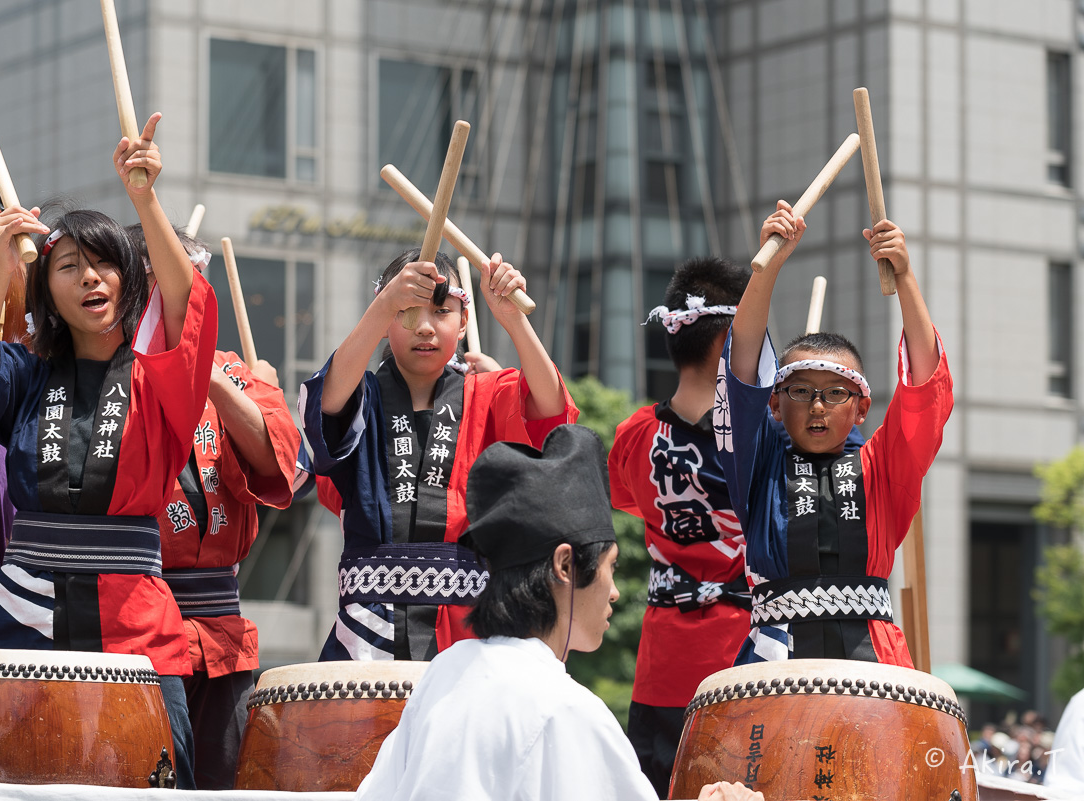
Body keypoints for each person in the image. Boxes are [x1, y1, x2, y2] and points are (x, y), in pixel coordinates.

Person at [0, 113, 217, 788]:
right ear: (48, 292)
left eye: (105, 263)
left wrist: (144, 199)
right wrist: (1, 269)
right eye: (70, 265)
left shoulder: (161, 380)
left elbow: (187, 304)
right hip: (21, 605)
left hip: (136, 618)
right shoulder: (29, 375)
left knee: (156, 772)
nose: (92, 277)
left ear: (126, 279)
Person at [354, 425, 762, 801]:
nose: (615, 592)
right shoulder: (564, 708)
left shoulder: (445, 672)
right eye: (610, 567)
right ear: (565, 566)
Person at [300, 249, 576, 661]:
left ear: (464, 321)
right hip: (367, 630)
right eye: (407, 312)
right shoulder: (362, 396)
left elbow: (552, 412)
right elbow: (324, 409)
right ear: (385, 317)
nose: (425, 327)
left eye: (441, 311)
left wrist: (513, 318)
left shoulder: (488, 393)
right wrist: (383, 306)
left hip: (468, 633)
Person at [715, 201, 952, 665]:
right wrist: (768, 265)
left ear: (863, 407)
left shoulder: (883, 468)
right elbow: (740, 371)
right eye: (800, 391)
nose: (818, 406)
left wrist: (904, 276)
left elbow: (925, 389)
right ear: (775, 405)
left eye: (835, 394)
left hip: (875, 666)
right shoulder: (757, 465)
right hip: (774, 664)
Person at [127, 226, 304, 790]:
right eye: (157, 284)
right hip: (133, 626)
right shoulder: (106, 373)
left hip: (221, 631)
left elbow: (279, 466)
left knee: (227, 784)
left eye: (185, 282)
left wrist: (199, 371)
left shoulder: (235, 372)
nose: (173, 297)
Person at [608, 257, 753, 796]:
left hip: (665, 657)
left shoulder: (634, 435)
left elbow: (627, 500)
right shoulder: (766, 436)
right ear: (728, 342)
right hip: (752, 656)